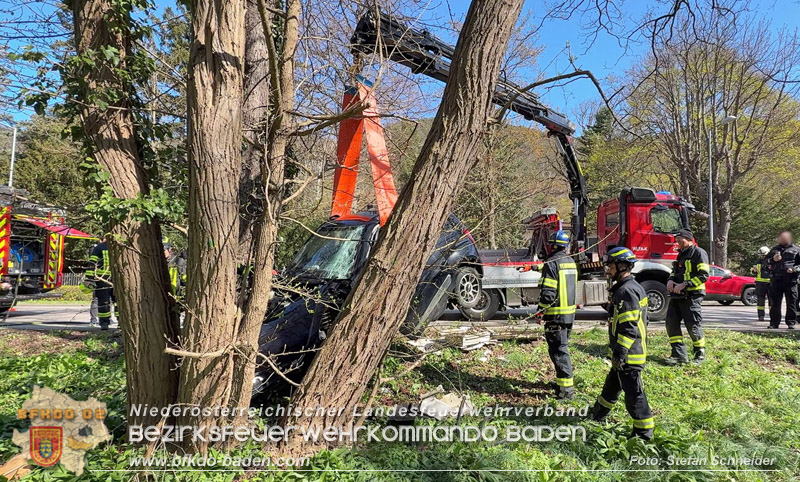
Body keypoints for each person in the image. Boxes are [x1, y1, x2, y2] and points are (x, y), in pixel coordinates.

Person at [590, 246, 654, 440]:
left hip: (630, 354)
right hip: (626, 352)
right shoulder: (631, 288)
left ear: (622, 266)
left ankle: (644, 433)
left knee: (634, 395)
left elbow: (629, 328)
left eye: (610, 265)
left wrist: (620, 353)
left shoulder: (626, 291)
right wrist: (611, 308)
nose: (608, 269)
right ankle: (597, 415)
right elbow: (637, 317)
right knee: (611, 387)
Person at [536, 230, 578, 400]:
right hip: (569, 316)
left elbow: (548, 295)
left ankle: (567, 392)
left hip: (556, 316)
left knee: (560, 352)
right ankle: (562, 384)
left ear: (552, 245)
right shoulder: (570, 262)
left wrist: (540, 310)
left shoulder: (552, 263)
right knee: (560, 350)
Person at [665, 229, 710, 365]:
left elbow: (704, 275)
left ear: (689, 239)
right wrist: (670, 280)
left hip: (692, 295)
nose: (677, 241)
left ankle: (699, 355)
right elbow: (675, 271)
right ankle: (679, 355)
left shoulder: (699, 253)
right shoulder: (681, 254)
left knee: (693, 325)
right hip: (678, 295)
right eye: (677, 239)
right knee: (671, 323)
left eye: (680, 239)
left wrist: (685, 284)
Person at [767, 231, 800, 329]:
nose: (783, 239)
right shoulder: (775, 249)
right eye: (782, 238)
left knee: (792, 302)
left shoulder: (796, 250)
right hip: (776, 279)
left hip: (790, 280)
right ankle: (774, 323)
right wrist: (773, 260)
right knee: (775, 303)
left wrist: (794, 269)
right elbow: (765, 262)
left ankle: (791, 323)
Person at [84, 237, 115, 330]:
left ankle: (104, 323)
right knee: (118, 302)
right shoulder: (119, 247)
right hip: (116, 280)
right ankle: (121, 323)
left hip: (102, 280)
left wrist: (89, 278)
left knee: (103, 302)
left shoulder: (98, 248)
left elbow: (92, 263)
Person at [751, 246, 772, 322]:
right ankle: (761, 316)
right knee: (760, 301)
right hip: (760, 284)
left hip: (770, 284)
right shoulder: (757, 262)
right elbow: (752, 271)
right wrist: (754, 270)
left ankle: (772, 316)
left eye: (763, 255)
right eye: (760, 255)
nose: (761, 256)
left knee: (771, 301)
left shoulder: (771, 261)